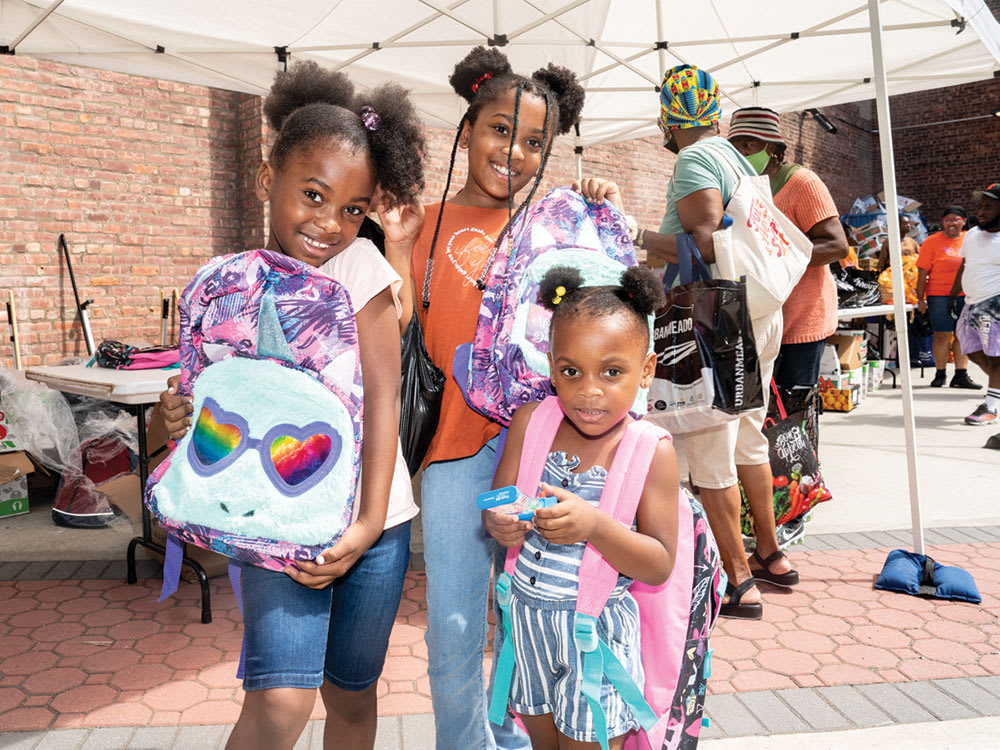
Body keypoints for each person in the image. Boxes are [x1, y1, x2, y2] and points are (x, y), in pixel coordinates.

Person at [158, 61, 425, 750]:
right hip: (275, 520)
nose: (329, 222)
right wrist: (178, 422)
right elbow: (214, 401)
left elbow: (385, 403)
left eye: (351, 208)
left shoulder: (361, 271)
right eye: (312, 194)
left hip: (377, 526)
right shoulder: (235, 284)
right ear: (265, 180)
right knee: (280, 701)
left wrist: (366, 527)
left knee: (351, 698)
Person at [381, 47, 618, 749]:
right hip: (455, 452)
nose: (514, 151)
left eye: (535, 141)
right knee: (455, 620)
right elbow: (393, 323)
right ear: (468, 129)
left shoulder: (558, 225)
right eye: (499, 130)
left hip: (544, 452)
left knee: (530, 614)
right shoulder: (418, 222)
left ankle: (512, 735)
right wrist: (396, 247)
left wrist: (598, 210)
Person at [484, 265, 678, 749]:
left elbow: (658, 564)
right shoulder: (532, 423)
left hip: (595, 641)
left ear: (646, 371)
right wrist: (498, 522)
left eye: (612, 372)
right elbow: (497, 502)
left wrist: (594, 526)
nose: (590, 390)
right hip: (527, 630)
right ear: (552, 367)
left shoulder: (650, 450)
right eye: (571, 371)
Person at [632, 66, 796, 621]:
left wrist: (636, 234)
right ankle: (771, 555)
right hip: (759, 313)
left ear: (668, 116)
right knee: (748, 435)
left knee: (708, 449)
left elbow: (702, 246)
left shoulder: (693, 158)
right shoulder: (736, 158)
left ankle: (739, 581)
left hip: (717, 321)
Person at [726, 107, 849, 392]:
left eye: (749, 144)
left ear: (773, 147)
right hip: (760, 320)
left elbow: (837, 245)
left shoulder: (802, 183)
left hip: (802, 319)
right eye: (735, 146)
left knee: (793, 414)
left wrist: (773, 259)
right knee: (762, 412)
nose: (742, 153)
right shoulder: (742, 187)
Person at [950, 183, 1000, 426]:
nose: (981, 212)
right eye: (980, 206)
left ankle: (990, 407)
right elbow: (965, 266)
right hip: (970, 304)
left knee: (997, 356)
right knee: (969, 348)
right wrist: (952, 295)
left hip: (995, 303)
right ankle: (996, 392)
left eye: (989, 207)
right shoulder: (971, 234)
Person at [916, 205, 981, 389]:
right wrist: (920, 299)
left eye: (956, 219)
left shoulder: (972, 239)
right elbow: (922, 273)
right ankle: (940, 373)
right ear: (943, 222)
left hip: (966, 294)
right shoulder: (931, 242)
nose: (951, 223)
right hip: (939, 295)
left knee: (963, 334)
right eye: (947, 220)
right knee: (942, 334)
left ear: (964, 222)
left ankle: (961, 374)